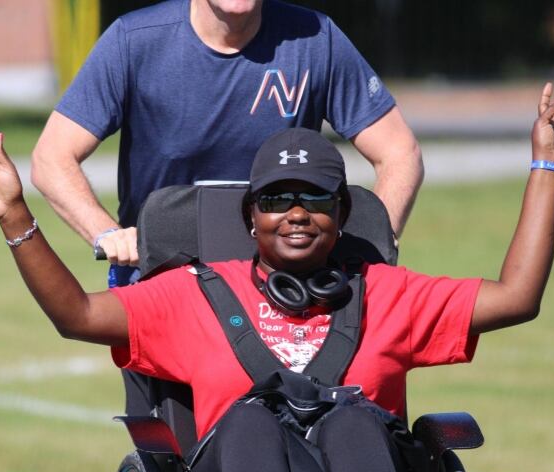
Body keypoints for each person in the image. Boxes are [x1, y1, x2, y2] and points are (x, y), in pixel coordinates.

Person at [0, 84, 554, 472]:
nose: (295, 214)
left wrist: (545, 169)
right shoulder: (196, 294)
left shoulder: (385, 291)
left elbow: (517, 298)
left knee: (357, 419)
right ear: (250, 218)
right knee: (248, 421)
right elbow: (77, 316)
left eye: (316, 199)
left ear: (342, 214)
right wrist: (16, 215)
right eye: (276, 199)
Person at [31, 0, 423, 287]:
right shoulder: (133, 42)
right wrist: (107, 234)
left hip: (284, 284)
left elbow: (399, 153)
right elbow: (52, 157)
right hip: (165, 281)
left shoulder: (316, 40)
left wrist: (368, 245)